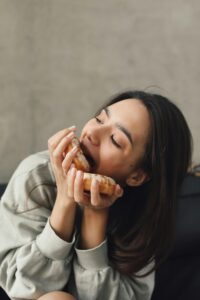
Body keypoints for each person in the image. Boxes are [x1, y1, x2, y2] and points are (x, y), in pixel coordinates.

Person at [0, 90, 192, 300]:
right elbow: (25, 287)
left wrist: (95, 217)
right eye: (100, 119)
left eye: (116, 140)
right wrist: (65, 200)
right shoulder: (37, 175)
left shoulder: (144, 214)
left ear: (136, 176)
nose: (92, 133)